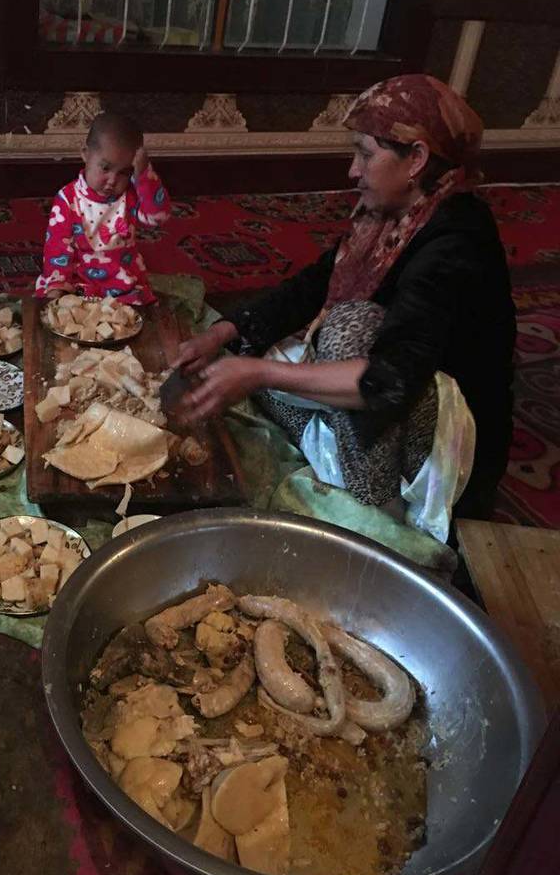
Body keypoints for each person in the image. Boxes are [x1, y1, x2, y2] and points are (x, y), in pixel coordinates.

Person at [175, 74, 515, 533]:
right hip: (383, 390)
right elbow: (311, 287)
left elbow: (390, 379)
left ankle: (379, 513)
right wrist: (222, 334)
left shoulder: (456, 240)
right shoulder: (391, 215)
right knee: (247, 355)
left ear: (416, 159)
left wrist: (259, 373)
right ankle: (333, 450)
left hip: (446, 433)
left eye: (366, 155)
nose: (353, 171)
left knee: (345, 327)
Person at [35, 112, 171, 304]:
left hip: (121, 282)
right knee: (57, 301)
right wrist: (58, 285)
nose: (112, 181)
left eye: (124, 172)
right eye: (105, 168)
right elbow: (57, 249)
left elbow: (158, 216)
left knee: (139, 306)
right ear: (85, 154)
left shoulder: (129, 196)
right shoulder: (68, 199)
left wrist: (143, 176)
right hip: (80, 281)